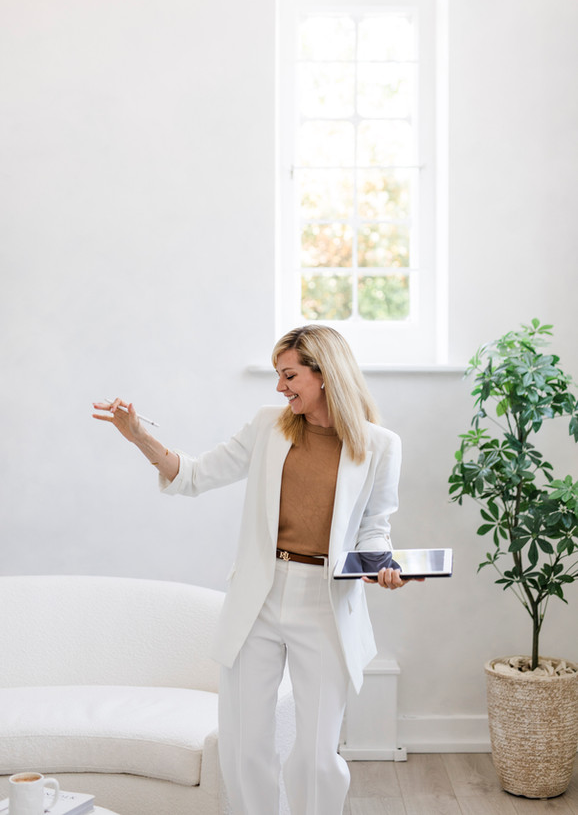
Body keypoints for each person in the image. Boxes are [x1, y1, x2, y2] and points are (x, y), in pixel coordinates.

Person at [93, 324, 416, 815]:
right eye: (278, 376)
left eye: (290, 375)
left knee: (314, 754)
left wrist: (383, 566)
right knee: (245, 747)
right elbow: (195, 475)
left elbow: (374, 528)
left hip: (326, 601)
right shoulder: (270, 426)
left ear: (325, 374)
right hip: (259, 599)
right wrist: (139, 435)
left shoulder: (380, 445)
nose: (281, 387)